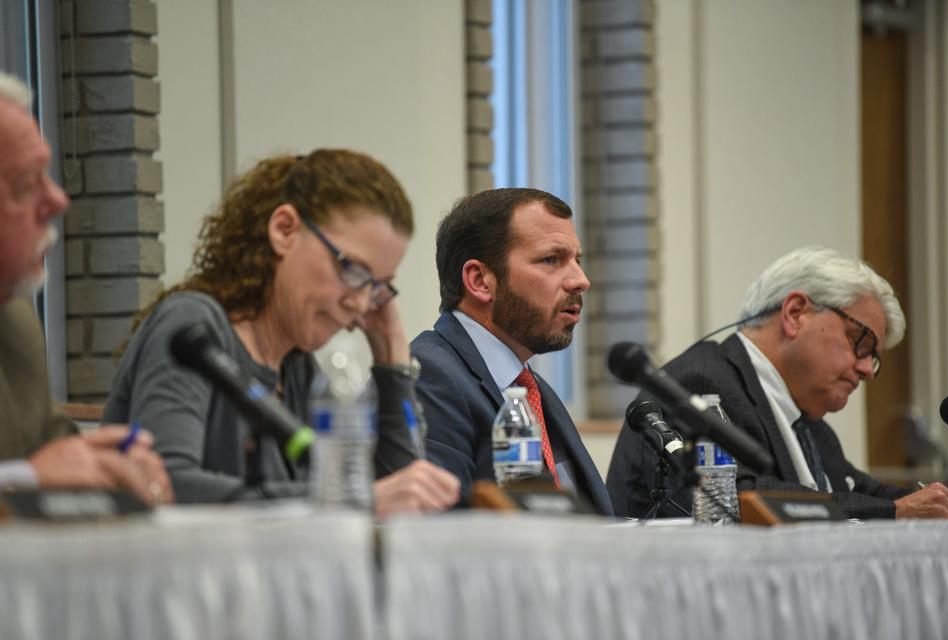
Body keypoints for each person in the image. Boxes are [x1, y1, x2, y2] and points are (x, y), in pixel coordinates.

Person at [103, 148, 460, 517]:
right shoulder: (193, 327)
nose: (359, 303)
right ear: (285, 230)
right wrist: (359, 502)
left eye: (376, 287)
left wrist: (392, 359)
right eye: (353, 270)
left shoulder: (298, 368)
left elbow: (394, 504)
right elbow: (166, 487)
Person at [607, 246, 948, 520]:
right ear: (795, 314)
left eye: (874, 357)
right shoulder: (700, 383)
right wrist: (894, 512)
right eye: (861, 342)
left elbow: (859, 491)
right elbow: (736, 499)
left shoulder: (810, 428)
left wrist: (938, 503)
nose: (868, 369)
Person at [0, 71, 171, 506]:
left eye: (48, 174)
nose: (58, 200)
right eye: (25, 184)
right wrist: (23, 479)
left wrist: (111, 466)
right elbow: (37, 472)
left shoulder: (15, 324)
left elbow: (56, 452)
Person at [411, 188, 614, 515]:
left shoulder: (527, 386)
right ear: (480, 281)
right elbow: (440, 533)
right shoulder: (430, 377)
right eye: (551, 260)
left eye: (577, 260)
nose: (580, 280)